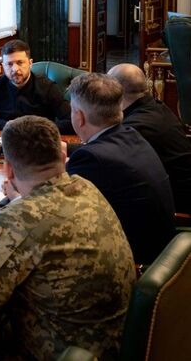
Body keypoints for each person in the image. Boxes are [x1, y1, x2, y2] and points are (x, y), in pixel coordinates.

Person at [0, 115, 135, 360]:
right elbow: (21, 245)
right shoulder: (85, 187)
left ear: (8, 170)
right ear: (63, 156)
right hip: (109, 342)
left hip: (59, 349)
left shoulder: (23, 219)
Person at [66, 72, 176, 265]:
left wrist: (16, 196)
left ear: (79, 117)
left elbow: (62, 213)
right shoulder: (130, 134)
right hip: (162, 250)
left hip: (134, 261)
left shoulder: (91, 158)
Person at [109, 63, 191, 214]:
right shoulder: (156, 107)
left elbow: (105, 150)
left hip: (179, 209)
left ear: (115, 93)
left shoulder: (140, 125)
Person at [0, 39, 74, 134]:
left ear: (30, 63)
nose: (15, 69)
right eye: (9, 64)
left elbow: (71, 121)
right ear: (3, 66)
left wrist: (37, 128)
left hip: (39, 140)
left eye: (20, 62)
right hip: (7, 139)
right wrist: (3, 124)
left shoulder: (47, 87)